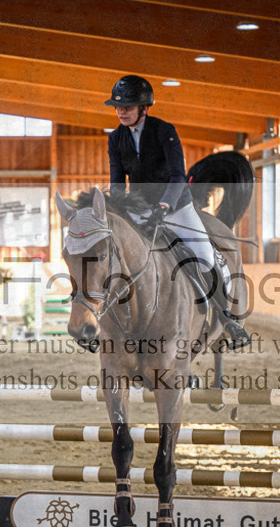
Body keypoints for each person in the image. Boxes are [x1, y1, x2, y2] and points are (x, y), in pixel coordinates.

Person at [105, 75, 249, 348]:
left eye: (128, 106)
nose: (121, 111)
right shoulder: (115, 138)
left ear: (144, 108)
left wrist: (165, 205)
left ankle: (228, 318)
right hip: (138, 209)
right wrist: (118, 210)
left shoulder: (164, 131)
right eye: (118, 107)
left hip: (175, 206)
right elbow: (116, 182)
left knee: (205, 255)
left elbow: (176, 175)